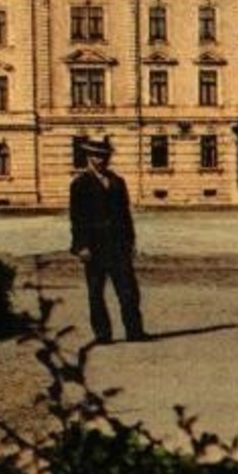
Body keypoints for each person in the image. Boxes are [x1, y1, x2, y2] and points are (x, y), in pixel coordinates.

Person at [68, 137, 147, 344]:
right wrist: (81, 246)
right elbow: (77, 218)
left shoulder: (117, 182)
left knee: (129, 291)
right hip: (93, 247)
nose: (101, 160)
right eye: (96, 155)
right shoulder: (80, 184)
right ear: (89, 157)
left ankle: (134, 331)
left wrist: (130, 242)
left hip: (118, 245)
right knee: (96, 292)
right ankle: (102, 334)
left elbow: (125, 215)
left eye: (104, 156)